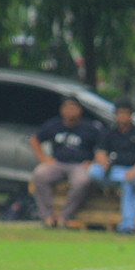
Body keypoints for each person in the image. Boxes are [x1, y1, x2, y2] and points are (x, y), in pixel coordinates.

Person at [30, 95, 101, 228]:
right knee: (39, 174)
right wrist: (43, 159)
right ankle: (47, 217)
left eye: (73, 107)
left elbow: (102, 147)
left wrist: (92, 162)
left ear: (80, 110)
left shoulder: (89, 128)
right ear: (62, 110)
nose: (70, 111)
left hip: (79, 165)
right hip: (58, 163)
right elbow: (34, 140)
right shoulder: (54, 124)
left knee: (82, 181)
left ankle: (64, 216)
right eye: (67, 107)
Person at [88, 98, 135, 235]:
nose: (123, 116)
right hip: (114, 171)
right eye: (120, 113)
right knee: (93, 171)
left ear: (131, 115)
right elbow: (100, 153)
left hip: (134, 171)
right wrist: (104, 163)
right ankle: (123, 178)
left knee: (130, 183)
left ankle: (127, 226)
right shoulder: (108, 132)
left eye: (125, 113)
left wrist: (134, 171)